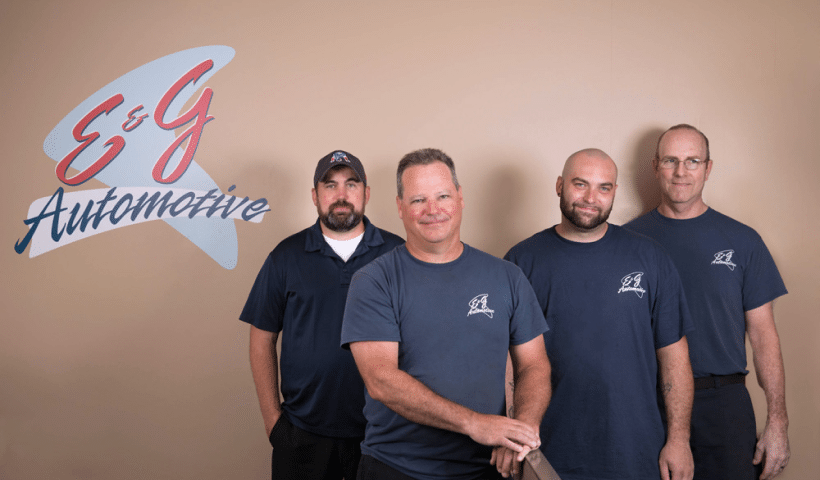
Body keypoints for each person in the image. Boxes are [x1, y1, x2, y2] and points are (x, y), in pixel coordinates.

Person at [340, 148, 551, 480]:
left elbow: (535, 364)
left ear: (460, 198)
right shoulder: (374, 281)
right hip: (397, 468)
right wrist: (474, 423)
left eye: (442, 196)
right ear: (399, 207)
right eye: (417, 200)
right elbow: (381, 379)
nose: (433, 210)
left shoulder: (506, 277)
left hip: (487, 469)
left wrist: (520, 431)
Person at [504, 148, 695, 480]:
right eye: (580, 184)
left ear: (614, 193)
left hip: (635, 449)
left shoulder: (649, 257)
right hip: (547, 450)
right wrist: (510, 434)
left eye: (604, 187)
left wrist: (679, 439)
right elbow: (505, 361)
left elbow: (674, 355)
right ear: (560, 185)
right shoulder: (522, 261)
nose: (591, 197)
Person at [625, 124, 789, 480]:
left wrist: (777, 422)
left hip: (723, 405)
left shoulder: (743, 241)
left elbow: (763, 336)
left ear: (708, 168)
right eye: (671, 160)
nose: (681, 171)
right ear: (655, 167)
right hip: (649, 404)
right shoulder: (626, 242)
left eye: (692, 161)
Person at [239, 150, 404, 480]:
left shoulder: (397, 254)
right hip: (302, 433)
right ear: (315, 196)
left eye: (351, 184)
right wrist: (274, 422)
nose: (341, 195)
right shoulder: (285, 256)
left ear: (366, 193)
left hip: (383, 434)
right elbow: (261, 340)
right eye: (330, 185)